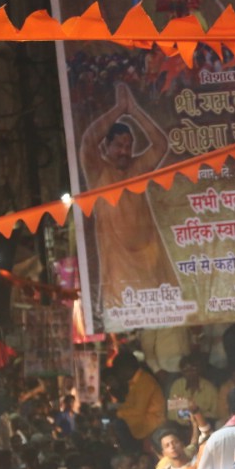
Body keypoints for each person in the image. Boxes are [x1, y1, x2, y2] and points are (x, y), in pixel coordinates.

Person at [79, 83, 179, 312]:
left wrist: (134, 111)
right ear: (106, 146)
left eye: (129, 145)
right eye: (119, 146)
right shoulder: (99, 171)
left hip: (152, 266)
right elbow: (87, 141)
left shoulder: (137, 169)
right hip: (120, 270)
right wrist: (118, 109)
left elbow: (161, 145)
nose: (125, 151)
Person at [111, 354, 166, 453]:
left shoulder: (145, 381)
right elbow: (128, 404)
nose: (119, 376)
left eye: (118, 372)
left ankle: (133, 454)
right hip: (143, 419)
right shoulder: (135, 382)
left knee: (119, 424)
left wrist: (118, 414)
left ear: (126, 368)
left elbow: (138, 410)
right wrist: (117, 412)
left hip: (152, 422)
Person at [168, 355, 220, 431]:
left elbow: (216, 414)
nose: (190, 373)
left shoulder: (209, 388)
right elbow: (172, 414)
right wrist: (188, 418)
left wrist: (199, 414)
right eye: (186, 370)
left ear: (199, 370)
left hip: (204, 425)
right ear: (182, 372)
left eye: (193, 369)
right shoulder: (177, 385)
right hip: (181, 426)